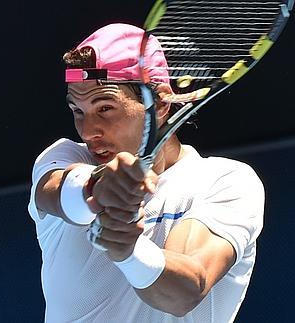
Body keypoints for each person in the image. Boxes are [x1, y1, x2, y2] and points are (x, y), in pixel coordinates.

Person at [28, 23, 264, 322]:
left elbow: (184, 293)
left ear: (161, 103)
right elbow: (56, 192)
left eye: (105, 108)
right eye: (78, 111)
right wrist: (96, 188)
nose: (88, 132)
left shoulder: (226, 181)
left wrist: (129, 249)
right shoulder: (64, 158)